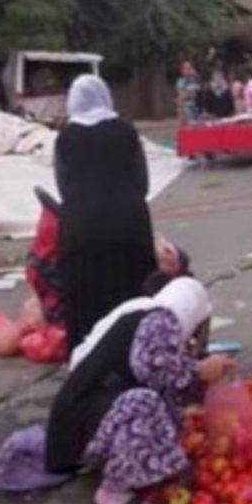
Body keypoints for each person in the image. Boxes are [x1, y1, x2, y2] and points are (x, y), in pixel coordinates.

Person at [45, 277, 234, 504]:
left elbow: (158, 375)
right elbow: (154, 369)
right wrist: (199, 371)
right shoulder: (160, 321)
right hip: (80, 422)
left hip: (90, 415)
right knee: (143, 403)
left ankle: (125, 464)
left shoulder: (149, 316)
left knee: (162, 410)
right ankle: (113, 492)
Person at [55, 75, 158, 350]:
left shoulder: (66, 137)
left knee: (85, 296)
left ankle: (87, 361)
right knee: (131, 291)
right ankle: (136, 356)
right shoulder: (125, 131)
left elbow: (63, 185)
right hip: (128, 225)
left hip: (81, 228)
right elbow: (142, 181)